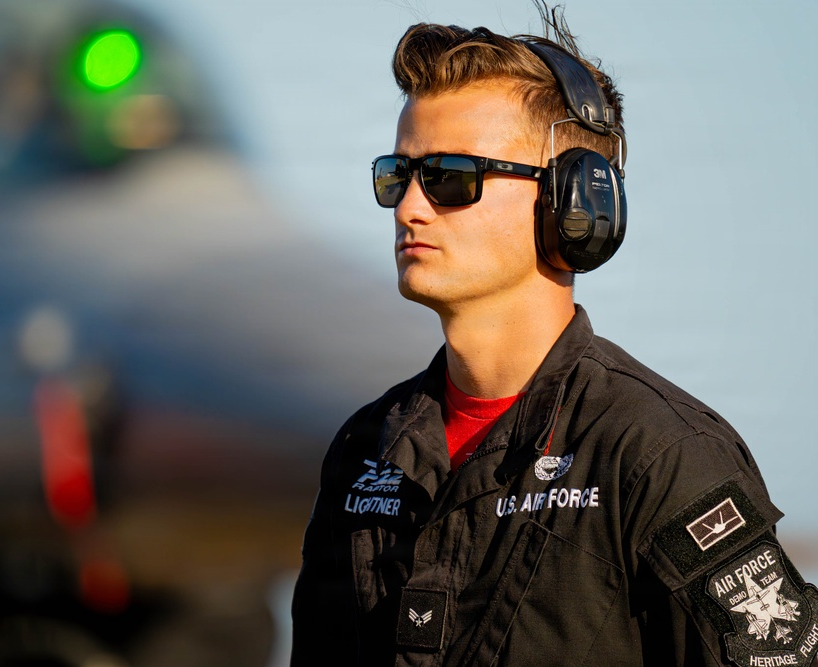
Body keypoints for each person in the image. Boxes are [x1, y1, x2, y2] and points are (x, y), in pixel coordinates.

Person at [290, 14, 818, 667]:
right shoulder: (362, 451)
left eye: (451, 176)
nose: (409, 208)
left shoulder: (659, 455)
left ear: (572, 202)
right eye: (398, 175)